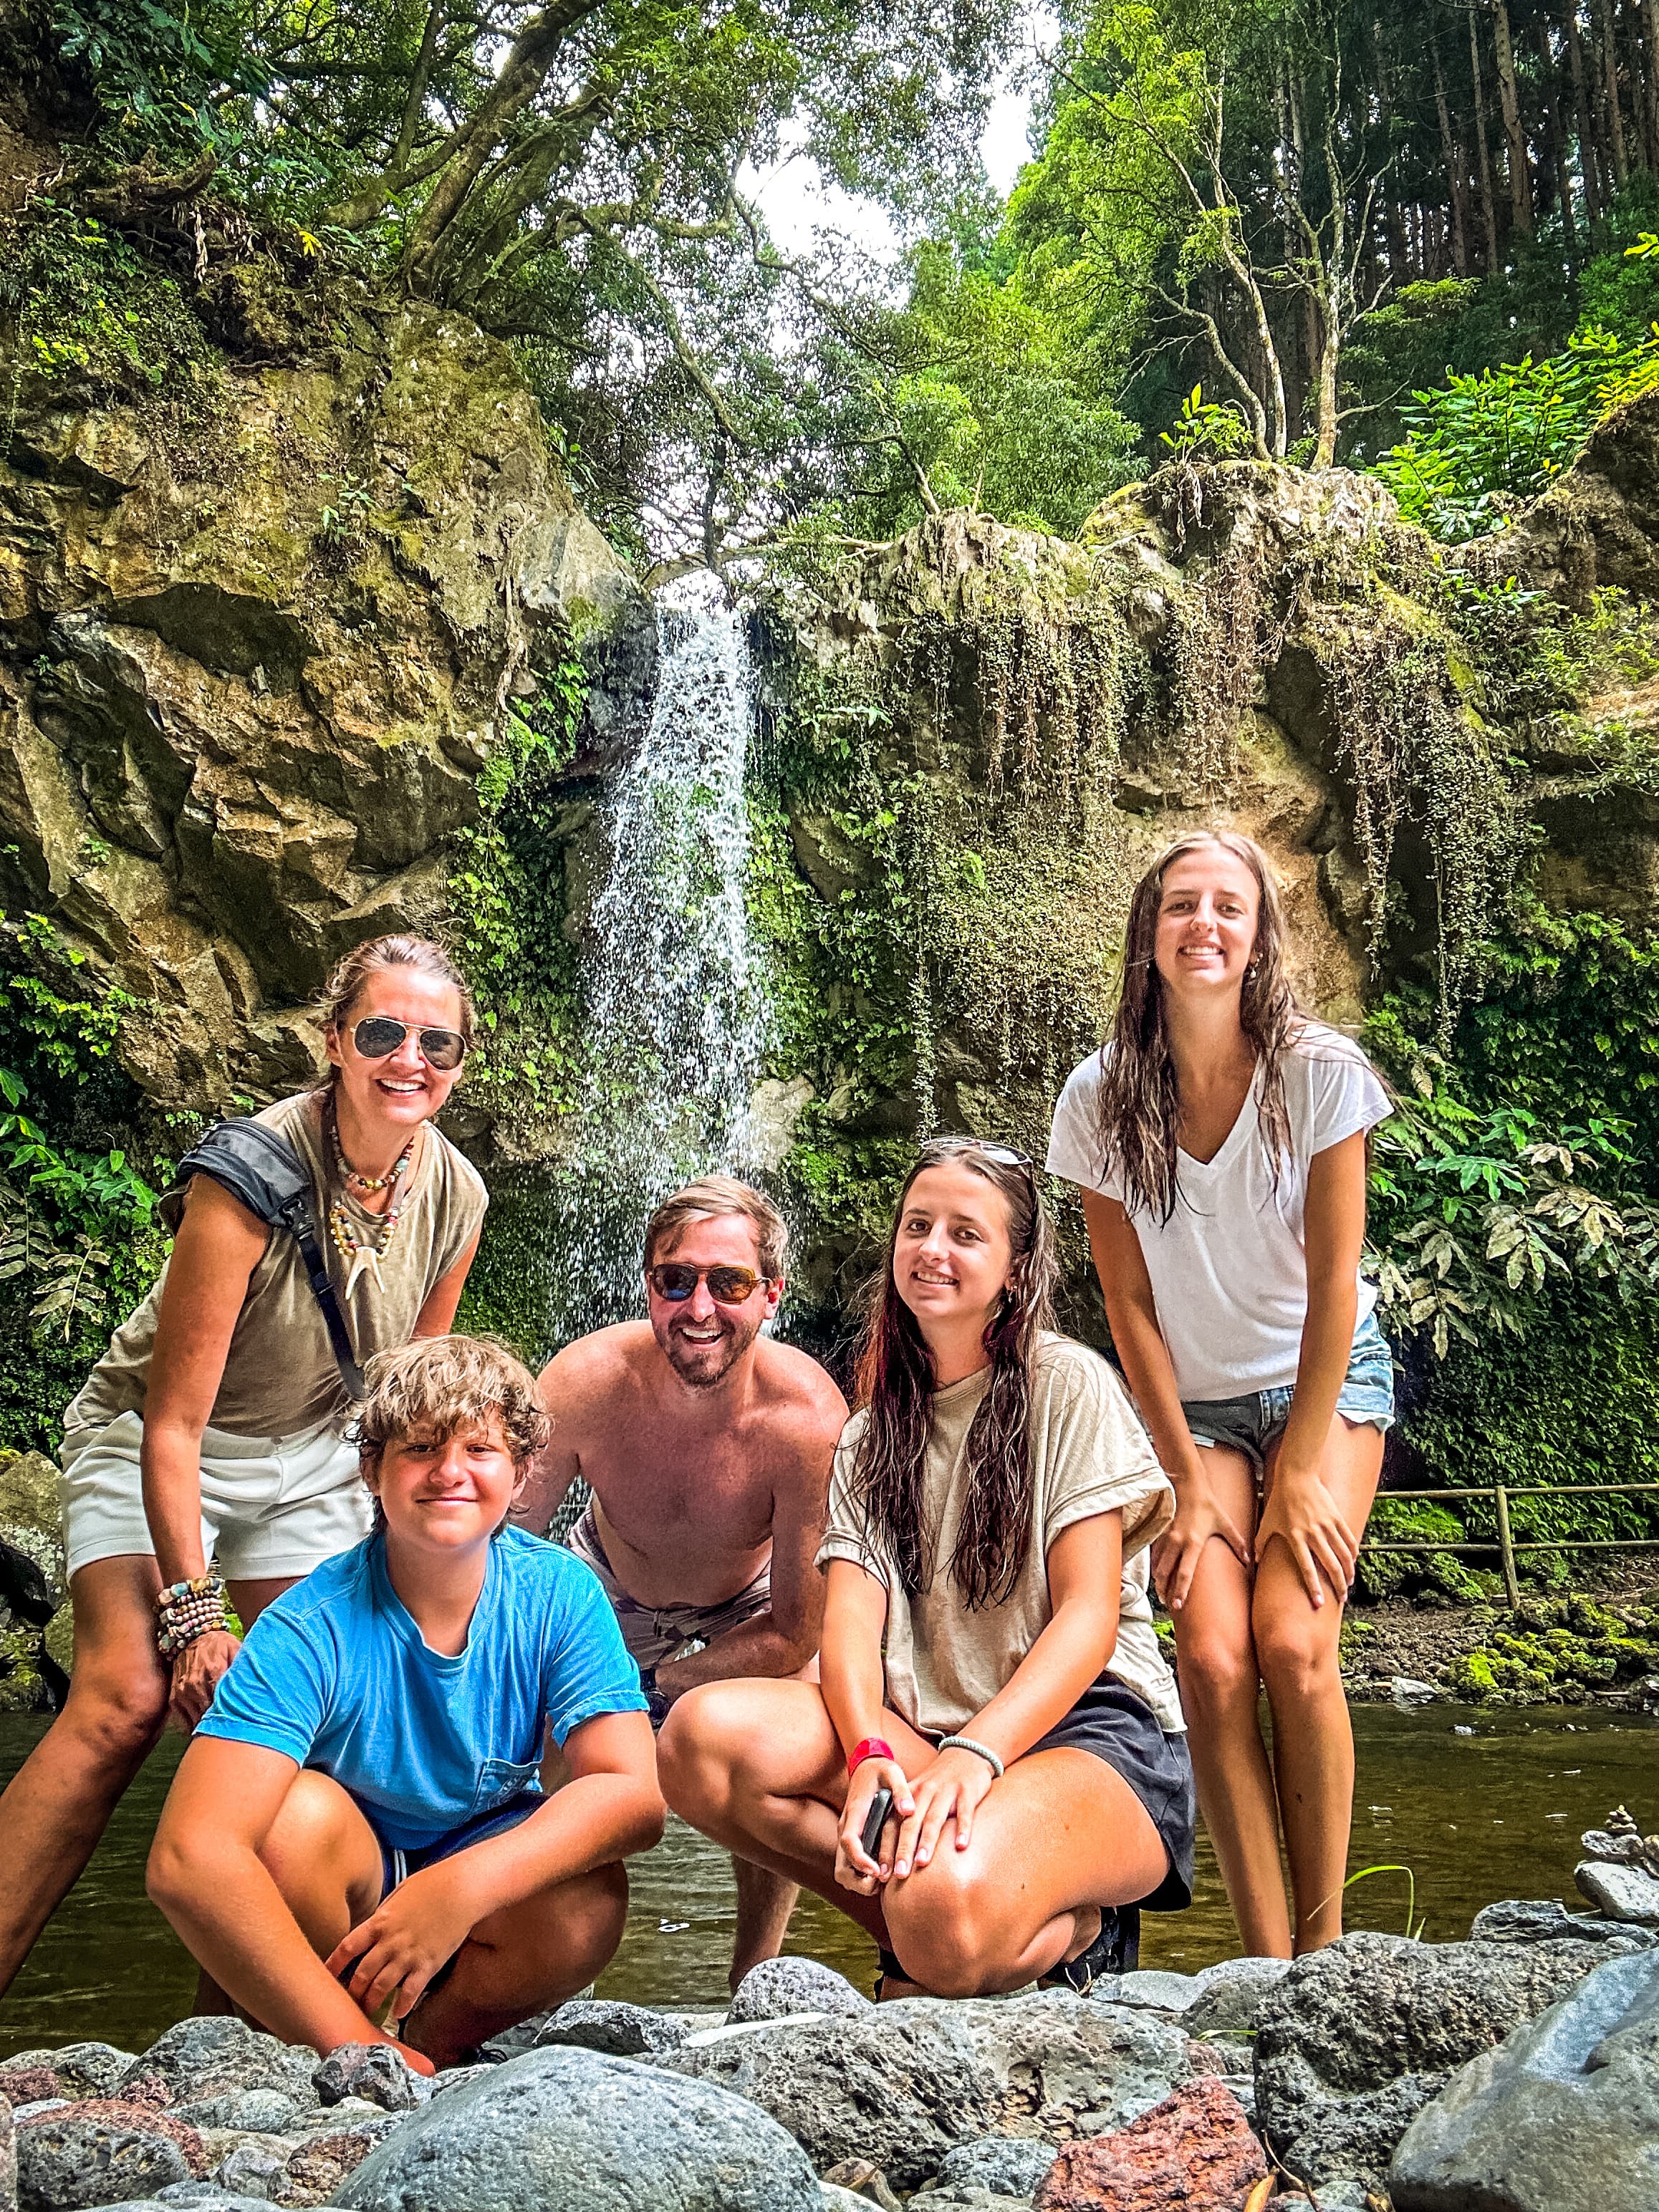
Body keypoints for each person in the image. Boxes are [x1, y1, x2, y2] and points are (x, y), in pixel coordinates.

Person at [0, 934, 488, 2004]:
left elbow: (403, 1406)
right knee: (125, 1697)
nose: (410, 1059)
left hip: (313, 1459)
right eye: (382, 1033)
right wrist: (194, 1613)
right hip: (157, 1443)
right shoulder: (249, 1174)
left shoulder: (459, 1196)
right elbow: (173, 1424)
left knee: (317, 1719)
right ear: (335, 1043)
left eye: (437, 1043)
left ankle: (242, 2036)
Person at [656, 1140, 1193, 1999]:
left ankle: (1074, 1926)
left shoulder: (1068, 1385)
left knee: (941, 1905)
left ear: (1016, 1269)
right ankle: (937, 1929)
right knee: (700, 1739)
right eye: (917, 1226)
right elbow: (849, 1632)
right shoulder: (872, 1435)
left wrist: (980, 1754)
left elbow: (1089, 1617)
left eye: (965, 1234)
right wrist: (871, 1749)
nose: (932, 1249)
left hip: (1088, 1736)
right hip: (925, 1735)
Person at [1046, 830, 1395, 1958]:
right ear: (1149, 937)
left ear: (1258, 939)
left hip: (1322, 1382)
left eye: (1227, 907)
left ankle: (1329, 1950)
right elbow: (1127, 1305)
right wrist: (1185, 1484)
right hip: (1188, 1412)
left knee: (1293, 1645)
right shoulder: (1101, 1094)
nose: (1204, 923)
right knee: (1210, 1656)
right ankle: (1265, 1964)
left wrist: (1300, 1466)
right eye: (1181, 905)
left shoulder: (1319, 1071)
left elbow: (1338, 1282)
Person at [146, 1336, 660, 2067]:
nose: (449, 1472)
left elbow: (632, 1795)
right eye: (420, 1447)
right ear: (372, 1470)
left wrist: (457, 1888)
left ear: (520, 1474)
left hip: (475, 1860)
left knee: (589, 1902)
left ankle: (429, 2049)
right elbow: (189, 1856)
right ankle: (344, 2042)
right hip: (345, 1877)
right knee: (287, 1826)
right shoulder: (309, 1622)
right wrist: (358, 2045)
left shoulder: (560, 1592)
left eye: (480, 1449)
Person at [516, 1177, 848, 1990]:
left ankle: (755, 1976)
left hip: (754, 1599)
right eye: (676, 1280)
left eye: (729, 1283)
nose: (699, 1307)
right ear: (648, 1288)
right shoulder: (583, 1382)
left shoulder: (808, 1419)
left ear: (771, 1295)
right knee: (541, 1735)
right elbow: (504, 1553)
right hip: (604, 1578)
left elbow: (799, 1631)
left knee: (774, 1746)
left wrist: (661, 1685)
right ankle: (544, 1970)